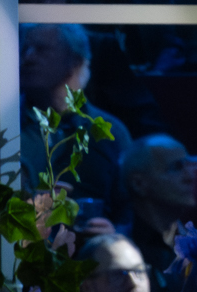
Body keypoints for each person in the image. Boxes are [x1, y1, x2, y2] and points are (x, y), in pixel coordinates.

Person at [18, 24, 133, 220]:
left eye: (41, 49)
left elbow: (131, 211)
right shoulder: (0, 127)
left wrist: (114, 233)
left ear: (75, 61)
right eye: (24, 49)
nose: (27, 58)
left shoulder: (110, 131)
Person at [121, 135, 196, 292]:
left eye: (188, 165)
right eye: (177, 167)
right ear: (139, 184)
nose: (190, 176)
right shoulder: (121, 253)